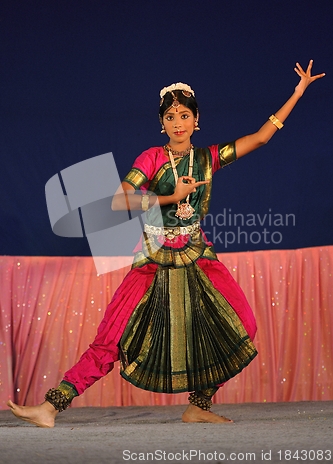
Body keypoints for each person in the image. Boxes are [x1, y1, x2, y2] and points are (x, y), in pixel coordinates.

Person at [7, 61, 325, 427]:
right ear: (162, 123)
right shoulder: (152, 158)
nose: (177, 122)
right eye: (170, 116)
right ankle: (50, 408)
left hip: (197, 256)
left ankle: (199, 405)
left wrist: (298, 92)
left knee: (245, 325)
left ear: (196, 120)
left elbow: (260, 137)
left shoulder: (206, 158)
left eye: (184, 115)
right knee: (111, 337)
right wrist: (170, 198)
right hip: (154, 258)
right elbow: (119, 200)